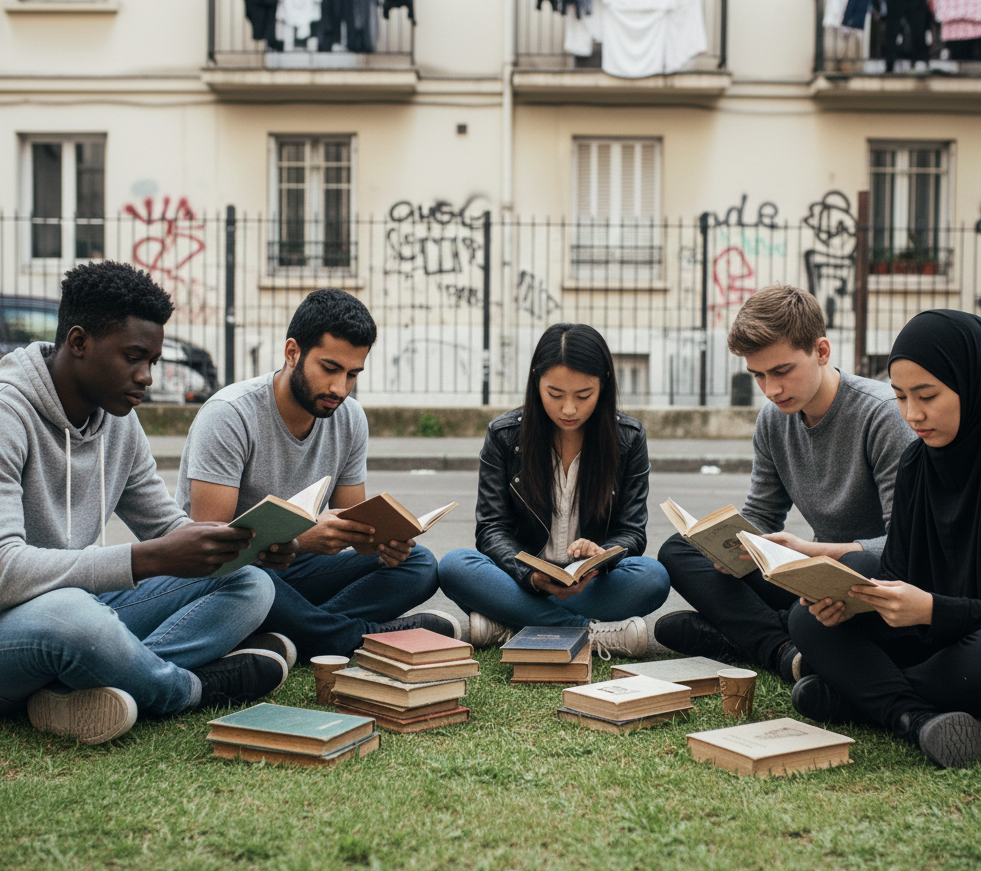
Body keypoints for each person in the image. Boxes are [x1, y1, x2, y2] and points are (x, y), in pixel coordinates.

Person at [0, 261, 289, 746]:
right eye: (134, 357)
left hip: (83, 611)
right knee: (75, 618)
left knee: (251, 583)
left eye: (152, 361)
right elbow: (5, 569)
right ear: (79, 342)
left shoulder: (118, 418)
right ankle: (189, 689)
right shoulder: (8, 415)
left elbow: (164, 526)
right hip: (26, 625)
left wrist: (238, 545)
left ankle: (90, 687)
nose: (147, 377)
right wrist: (147, 559)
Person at [789, 309, 981, 767]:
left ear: (974, 383)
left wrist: (934, 610)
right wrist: (853, 606)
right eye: (899, 397)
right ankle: (911, 717)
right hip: (933, 643)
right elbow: (898, 571)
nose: (913, 415)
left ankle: (858, 697)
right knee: (808, 621)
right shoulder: (918, 462)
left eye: (928, 395)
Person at [177, 288, 455, 661]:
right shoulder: (230, 414)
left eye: (352, 374)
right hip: (235, 575)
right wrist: (302, 538)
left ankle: (296, 631)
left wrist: (383, 541)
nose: (340, 388)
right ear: (293, 353)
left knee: (418, 565)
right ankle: (349, 638)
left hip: (294, 574)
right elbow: (211, 548)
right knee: (251, 581)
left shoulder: (350, 417)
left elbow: (355, 523)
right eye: (330, 369)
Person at [656, 285, 915, 681]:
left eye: (781, 371)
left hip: (874, 577)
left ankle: (748, 637)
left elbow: (906, 543)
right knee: (678, 550)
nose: (771, 389)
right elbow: (761, 514)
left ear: (821, 352)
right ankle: (786, 652)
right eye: (758, 375)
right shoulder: (773, 419)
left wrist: (812, 551)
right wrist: (729, 546)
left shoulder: (883, 416)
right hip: (812, 575)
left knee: (813, 601)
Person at [438, 323, 670, 658]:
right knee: (454, 566)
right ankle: (590, 633)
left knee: (653, 576)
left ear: (604, 385)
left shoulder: (629, 439)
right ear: (536, 383)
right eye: (556, 394)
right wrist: (530, 576)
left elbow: (631, 532)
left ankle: (514, 624)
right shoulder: (504, 436)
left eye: (584, 395)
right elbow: (491, 529)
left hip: (589, 586)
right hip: (521, 583)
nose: (569, 409)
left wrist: (599, 557)